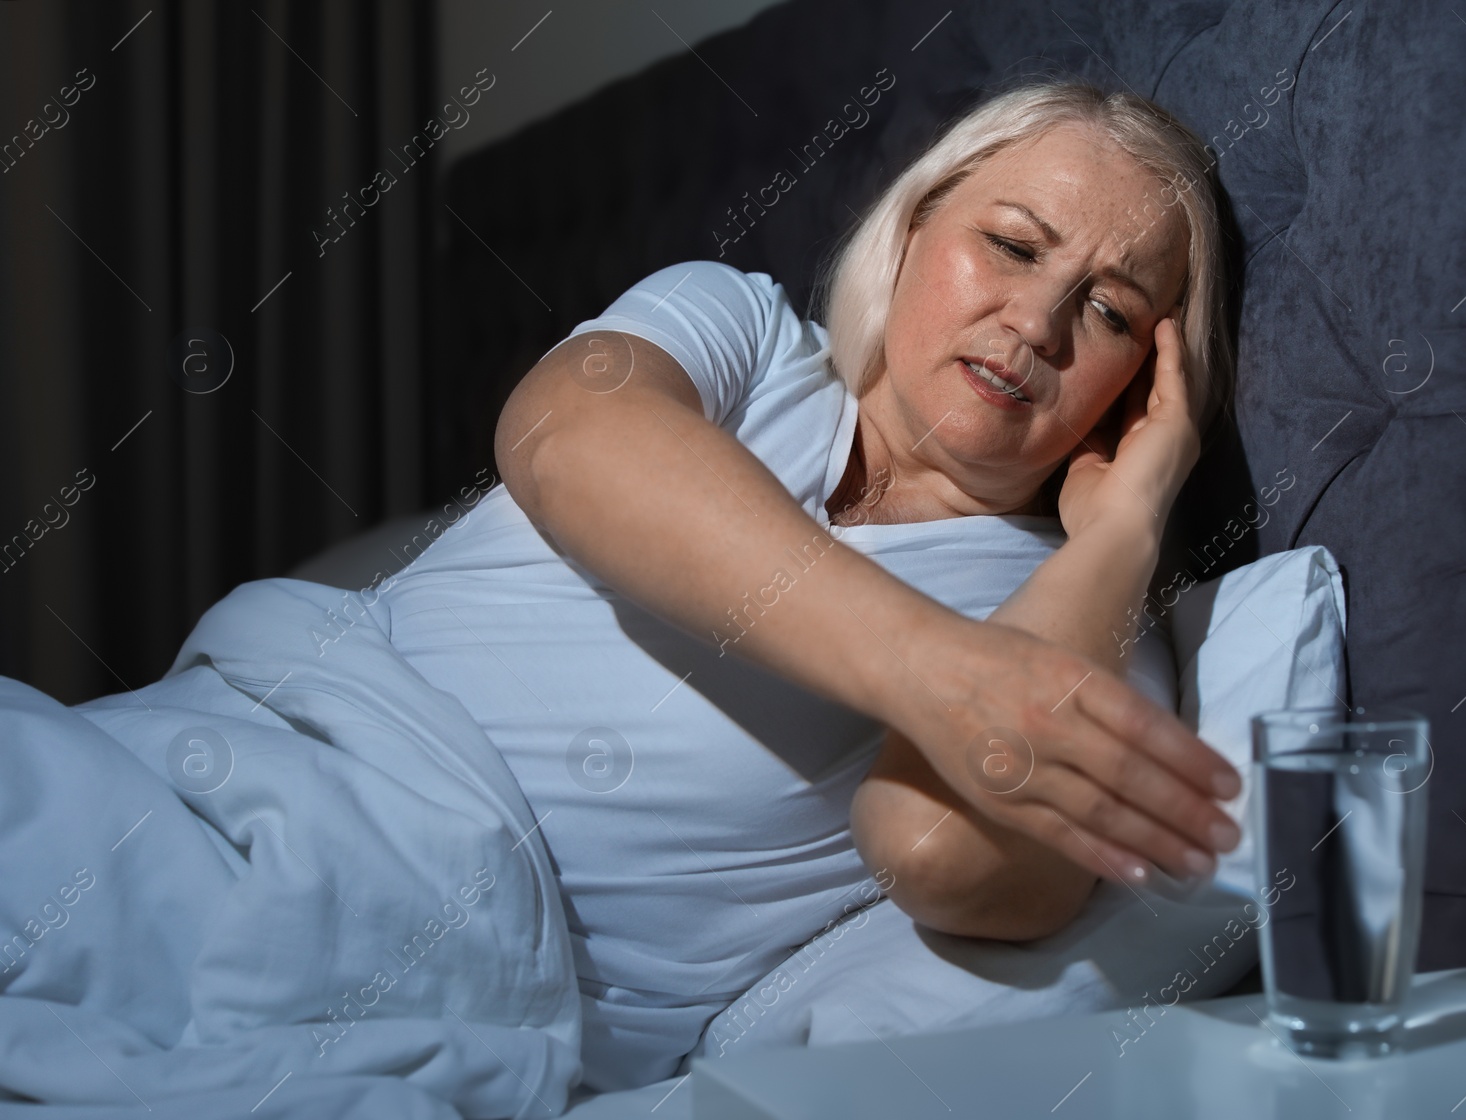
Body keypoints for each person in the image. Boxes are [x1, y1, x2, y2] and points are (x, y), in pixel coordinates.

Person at [385, 79, 1241, 1090]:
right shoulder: (739, 332)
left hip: (446, 962)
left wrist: (1125, 527)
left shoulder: (1079, 622)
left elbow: (935, 853)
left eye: (1107, 310)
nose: (1039, 322)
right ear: (916, 226)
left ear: (1143, 387)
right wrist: (941, 672)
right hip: (278, 757)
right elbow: (562, 436)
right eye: (1013, 245)